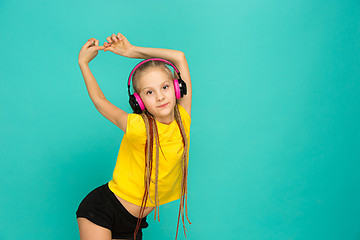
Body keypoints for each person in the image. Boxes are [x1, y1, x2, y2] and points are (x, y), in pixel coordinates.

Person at [76, 32, 192, 240]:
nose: (160, 96)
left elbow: (179, 57)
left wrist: (131, 51)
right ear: (138, 102)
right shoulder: (138, 126)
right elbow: (100, 101)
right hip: (102, 210)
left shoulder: (183, 120)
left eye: (165, 87)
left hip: (133, 224)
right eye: (149, 92)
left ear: (177, 88)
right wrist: (83, 63)